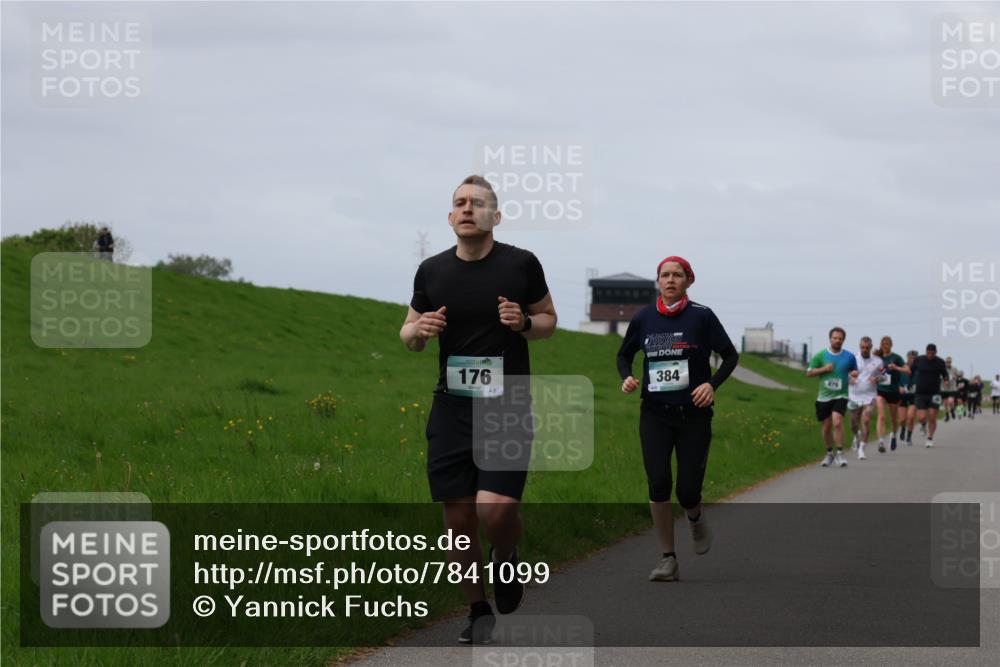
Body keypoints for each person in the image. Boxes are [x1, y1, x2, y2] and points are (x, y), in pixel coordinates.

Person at [400, 175, 558, 644]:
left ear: (495, 215)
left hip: (506, 404)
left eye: (478, 203)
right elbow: (408, 332)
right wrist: (418, 332)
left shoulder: (521, 264)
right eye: (460, 203)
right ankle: (477, 610)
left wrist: (524, 322)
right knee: (459, 518)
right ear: (450, 216)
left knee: (496, 510)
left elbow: (549, 320)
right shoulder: (432, 271)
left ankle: (505, 556)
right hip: (452, 408)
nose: (468, 208)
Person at [617, 256, 738, 582]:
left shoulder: (702, 316)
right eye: (665, 275)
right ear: (658, 281)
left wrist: (711, 385)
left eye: (677, 275)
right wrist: (626, 377)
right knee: (658, 484)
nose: (670, 280)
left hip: (693, 416)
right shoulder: (644, 318)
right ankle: (667, 558)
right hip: (654, 414)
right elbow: (624, 355)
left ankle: (695, 517)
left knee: (687, 491)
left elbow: (730, 356)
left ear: (689, 280)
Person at [806, 327, 858, 468]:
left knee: (837, 422)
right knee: (826, 427)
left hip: (841, 395)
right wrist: (825, 369)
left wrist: (854, 373)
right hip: (824, 397)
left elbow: (854, 369)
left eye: (840, 339)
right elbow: (809, 372)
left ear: (843, 340)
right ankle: (829, 453)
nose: (837, 341)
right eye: (835, 338)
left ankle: (840, 453)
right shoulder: (820, 355)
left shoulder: (849, 356)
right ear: (830, 339)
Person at [910, 344, 950, 447]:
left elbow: (945, 373)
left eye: (932, 353)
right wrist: (910, 383)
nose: (930, 355)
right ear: (926, 352)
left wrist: (946, 380)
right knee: (921, 417)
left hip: (935, 393)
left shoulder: (940, 362)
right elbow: (911, 371)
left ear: (936, 352)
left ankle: (930, 438)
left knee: (932, 416)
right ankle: (923, 424)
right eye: (928, 353)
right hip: (920, 393)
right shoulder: (919, 360)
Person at [848, 336, 881, 459]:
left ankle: (861, 449)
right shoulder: (852, 358)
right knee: (853, 422)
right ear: (859, 346)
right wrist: (848, 379)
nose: (865, 349)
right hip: (854, 395)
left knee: (866, 420)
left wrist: (877, 378)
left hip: (870, 395)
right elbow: (843, 372)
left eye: (867, 347)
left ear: (871, 347)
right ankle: (856, 435)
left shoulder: (877, 361)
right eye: (862, 347)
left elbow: (885, 376)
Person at [873, 336, 908, 453]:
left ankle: (893, 435)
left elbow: (908, 370)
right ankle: (881, 442)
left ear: (891, 345)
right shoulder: (877, 357)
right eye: (883, 344)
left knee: (893, 419)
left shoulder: (896, 358)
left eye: (887, 344)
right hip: (881, 390)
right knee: (882, 416)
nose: (885, 346)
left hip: (893, 392)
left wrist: (896, 367)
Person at [898, 350, 919, 446]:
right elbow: (895, 380)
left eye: (914, 358)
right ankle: (903, 428)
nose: (912, 359)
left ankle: (909, 437)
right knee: (902, 419)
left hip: (914, 395)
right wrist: (899, 387)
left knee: (911, 417)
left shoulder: (919, 369)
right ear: (907, 358)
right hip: (903, 395)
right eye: (911, 357)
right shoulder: (902, 367)